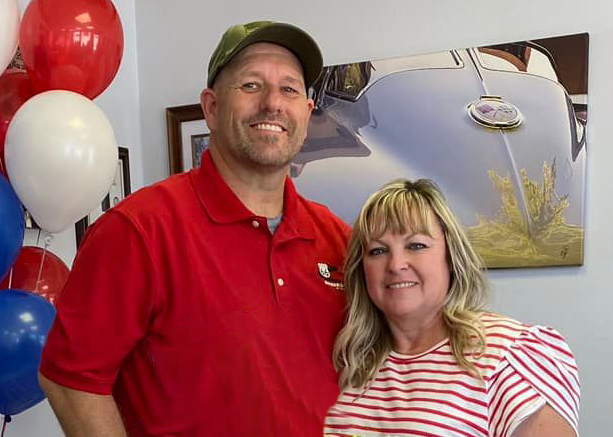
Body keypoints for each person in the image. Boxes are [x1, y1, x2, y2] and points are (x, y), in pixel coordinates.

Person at [38, 21, 350, 437]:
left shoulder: (337, 238)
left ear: (307, 116)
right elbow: (70, 380)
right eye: (251, 86)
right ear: (212, 107)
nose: (274, 103)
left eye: (290, 89)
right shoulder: (139, 231)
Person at [324, 179, 580, 437]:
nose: (396, 264)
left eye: (416, 245)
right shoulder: (352, 363)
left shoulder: (509, 356)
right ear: (362, 270)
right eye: (378, 251)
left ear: (450, 257)